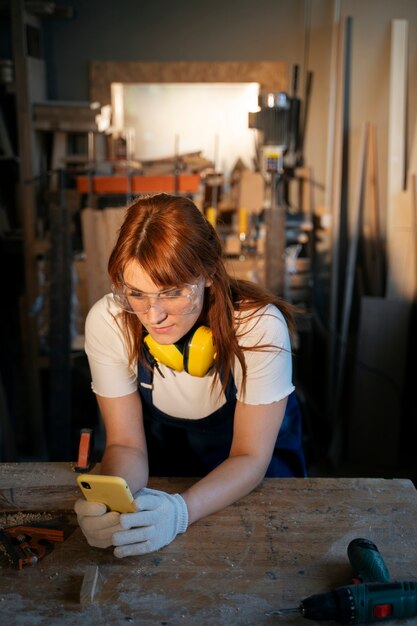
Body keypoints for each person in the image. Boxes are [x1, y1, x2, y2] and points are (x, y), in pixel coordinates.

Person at [75, 192, 306, 558]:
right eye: (137, 293)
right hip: (169, 474)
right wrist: (113, 502)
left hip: (256, 479)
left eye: (172, 293)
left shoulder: (257, 327)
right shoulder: (112, 321)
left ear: (209, 273)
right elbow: (125, 444)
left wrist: (180, 512)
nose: (153, 316)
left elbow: (250, 456)